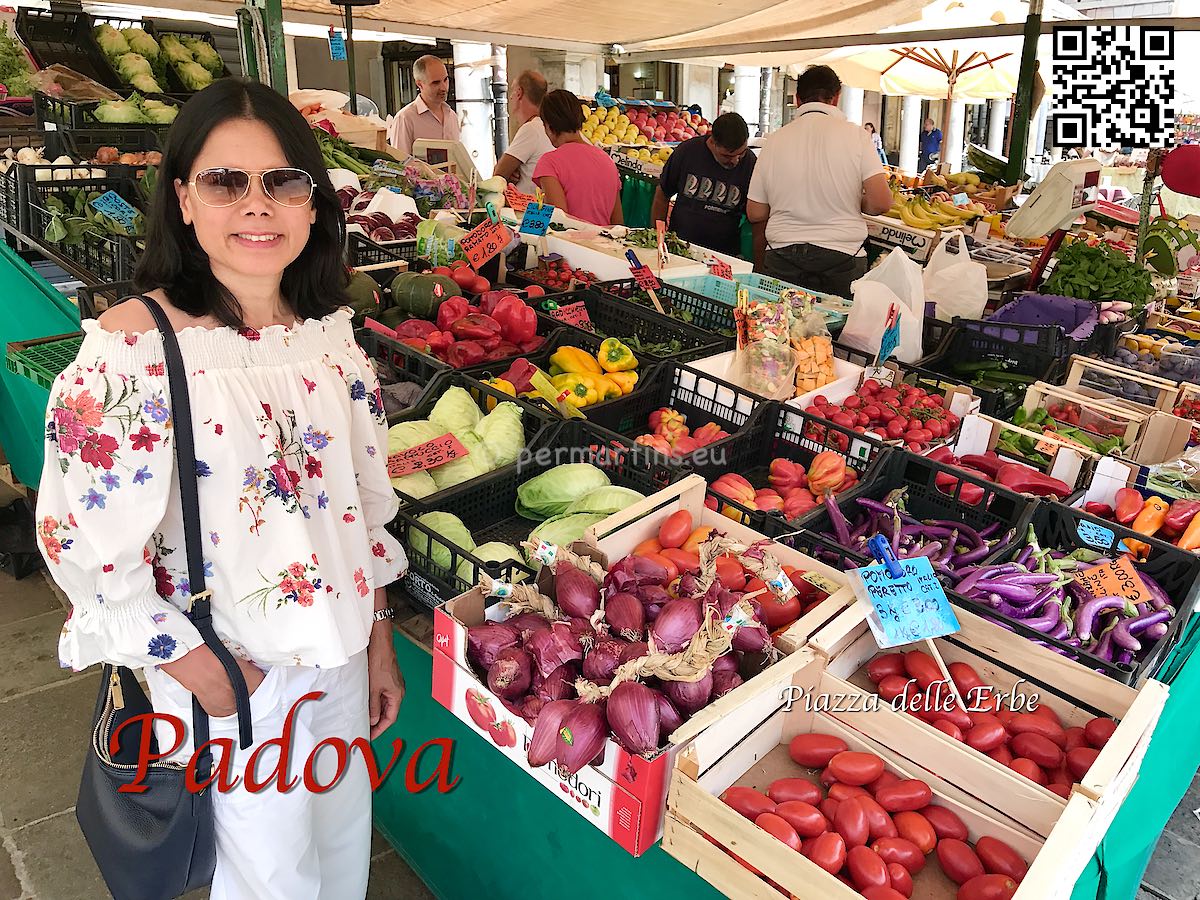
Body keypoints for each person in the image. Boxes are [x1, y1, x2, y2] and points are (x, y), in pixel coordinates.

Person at [36, 80, 407, 899]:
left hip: (338, 659)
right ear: (183, 199)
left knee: (341, 858)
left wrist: (377, 637)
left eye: (283, 181)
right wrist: (191, 663)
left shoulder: (327, 340)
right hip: (236, 673)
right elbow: (83, 540)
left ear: (313, 205)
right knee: (273, 882)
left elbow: (364, 511)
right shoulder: (139, 346)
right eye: (225, 181)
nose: (257, 205)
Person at [746, 65, 892, 299]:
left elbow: (755, 212)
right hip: (843, 258)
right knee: (837, 334)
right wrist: (856, 200)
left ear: (798, 99)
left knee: (779, 332)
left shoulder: (774, 141)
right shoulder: (858, 137)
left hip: (783, 257)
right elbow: (881, 203)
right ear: (836, 98)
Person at [650, 112, 756, 256]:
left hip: (724, 255)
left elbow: (754, 215)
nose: (736, 161)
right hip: (681, 248)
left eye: (741, 153)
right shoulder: (687, 152)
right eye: (727, 156)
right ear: (712, 141)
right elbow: (662, 195)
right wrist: (659, 239)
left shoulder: (750, 163)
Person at [533, 89, 622, 227]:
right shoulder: (607, 161)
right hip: (605, 246)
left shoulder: (550, 162)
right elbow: (618, 224)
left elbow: (558, 223)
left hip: (570, 247)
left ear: (549, 127)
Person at [494, 69, 554, 195]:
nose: (510, 97)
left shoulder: (531, 129)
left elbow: (498, 176)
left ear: (519, 93)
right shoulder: (546, 126)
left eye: (512, 90)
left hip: (529, 211)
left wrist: (508, 174)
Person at [388, 54, 460, 157]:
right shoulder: (405, 118)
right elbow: (401, 165)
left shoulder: (452, 116)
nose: (443, 87)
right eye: (436, 83)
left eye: (445, 80)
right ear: (420, 84)